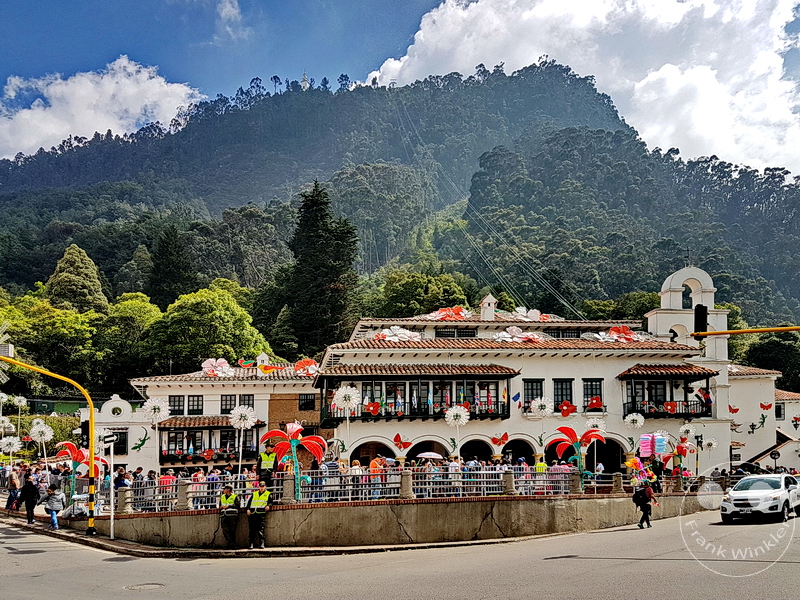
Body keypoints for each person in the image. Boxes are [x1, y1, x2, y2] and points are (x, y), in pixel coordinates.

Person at [245, 480, 272, 549]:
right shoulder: (254, 494)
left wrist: (268, 506)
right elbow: (249, 502)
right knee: (252, 529)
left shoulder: (268, 494)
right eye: (260, 486)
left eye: (263, 486)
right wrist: (248, 509)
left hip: (261, 513)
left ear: (265, 487)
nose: (261, 488)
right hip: (253, 513)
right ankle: (251, 544)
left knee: (260, 529)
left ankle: (261, 543)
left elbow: (271, 502)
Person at [219, 484, 241, 549]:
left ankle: (232, 544)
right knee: (225, 530)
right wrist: (221, 507)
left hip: (232, 515)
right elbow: (220, 505)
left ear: (228, 489)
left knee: (232, 530)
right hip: (224, 515)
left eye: (225, 489)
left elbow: (238, 505)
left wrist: (229, 506)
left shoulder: (235, 496)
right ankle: (230, 543)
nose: (223, 490)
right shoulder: (222, 496)